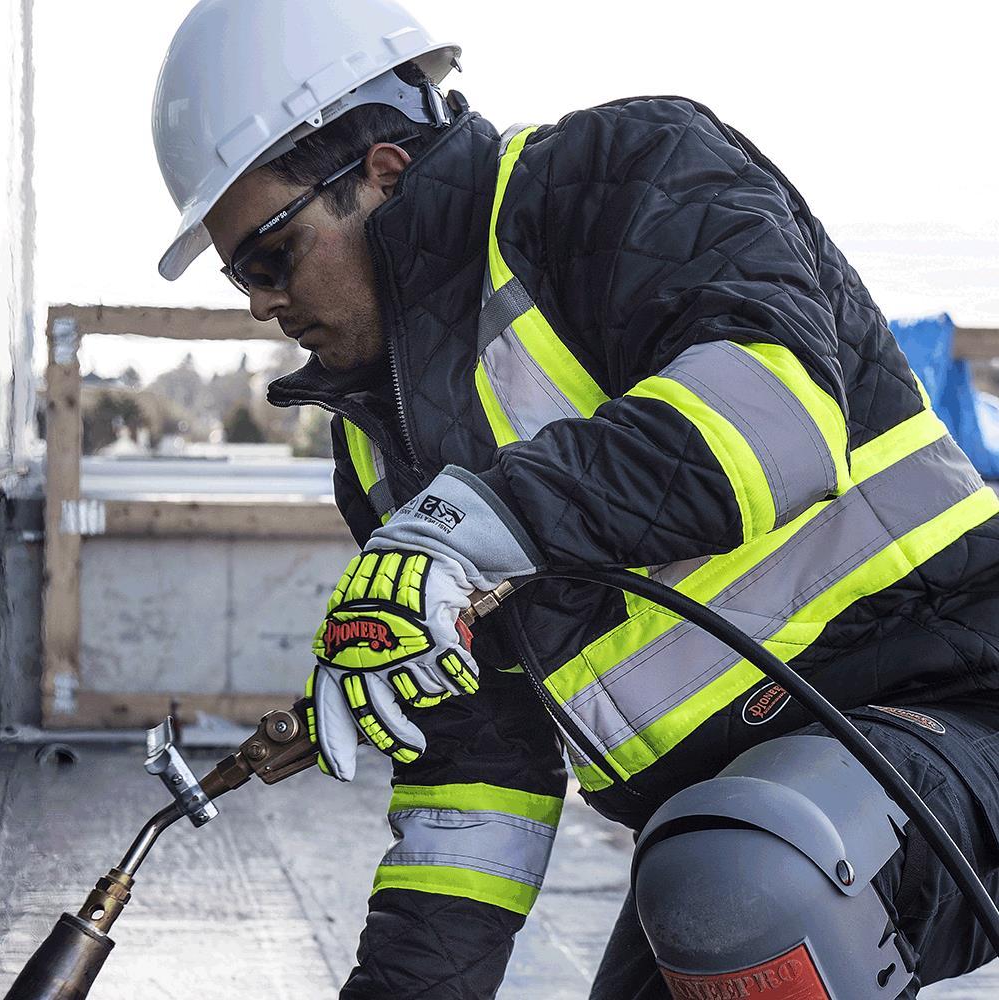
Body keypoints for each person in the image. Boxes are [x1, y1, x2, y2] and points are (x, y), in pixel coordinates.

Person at [153, 2, 999, 996]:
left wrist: (462, 529)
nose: (261, 302)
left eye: (269, 256)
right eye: (239, 276)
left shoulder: (619, 173)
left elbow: (773, 420)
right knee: (723, 882)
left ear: (381, 172)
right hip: (732, 817)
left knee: (740, 888)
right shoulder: (378, 441)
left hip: (950, 703)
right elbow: (475, 784)